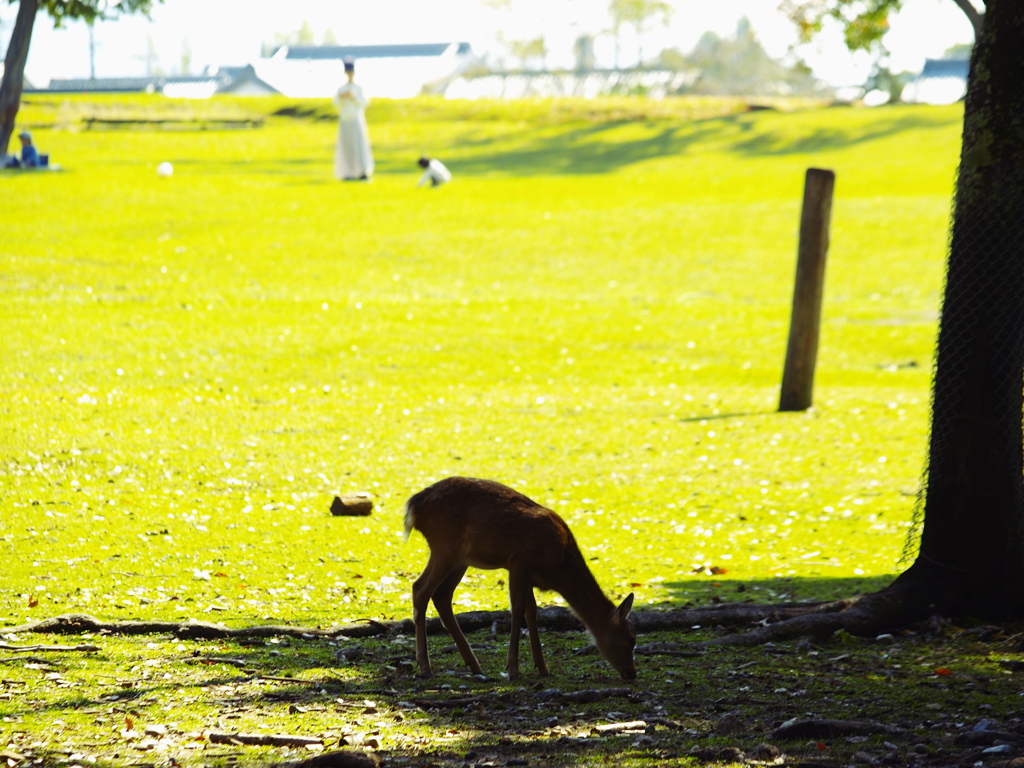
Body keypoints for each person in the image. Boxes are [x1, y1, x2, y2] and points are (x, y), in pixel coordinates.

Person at [333, 57, 373, 181]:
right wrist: (342, 96)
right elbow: (335, 103)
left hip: (356, 119)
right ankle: (348, 172)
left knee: (359, 145)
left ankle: (362, 171)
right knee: (347, 147)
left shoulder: (358, 88)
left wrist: (354, 98)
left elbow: (364, 104)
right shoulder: (341, 89)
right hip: (345, 120)